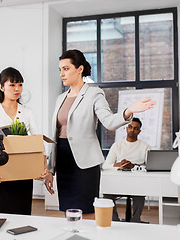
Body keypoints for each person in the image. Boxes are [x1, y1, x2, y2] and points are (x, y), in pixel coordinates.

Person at [44, 49, 156, 218]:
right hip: (63, 159)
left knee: (87, 211)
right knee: (68, 211)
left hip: (85, 163)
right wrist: (50, 169)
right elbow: (56, 134)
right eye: (59, 69)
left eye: (66, 68)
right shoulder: (60, 98)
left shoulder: (94, 93)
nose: (61, 73)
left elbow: (110, 122)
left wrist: (129, 110)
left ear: (80, 69)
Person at [0, 67, 48, 215]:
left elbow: (38, 142)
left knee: (22, 217)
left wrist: (43, 165)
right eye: (12, 85)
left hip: (22, 175)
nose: (17, 89)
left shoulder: (28, 112)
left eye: (20, 84)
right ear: (1, 87)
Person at [102, 118, 150, 222]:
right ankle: (114, 221)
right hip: (118, 183)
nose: (132, 130)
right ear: (126, 128)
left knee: (140, 195)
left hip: (137, 184)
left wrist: (134, 166)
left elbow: (149, 167)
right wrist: (117, 165)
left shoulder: (145, 147)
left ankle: (135, 220)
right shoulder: (117, 145)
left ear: (139, 131)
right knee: (107, 194)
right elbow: (105, 166)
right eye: (130, 127)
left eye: (136, 128)